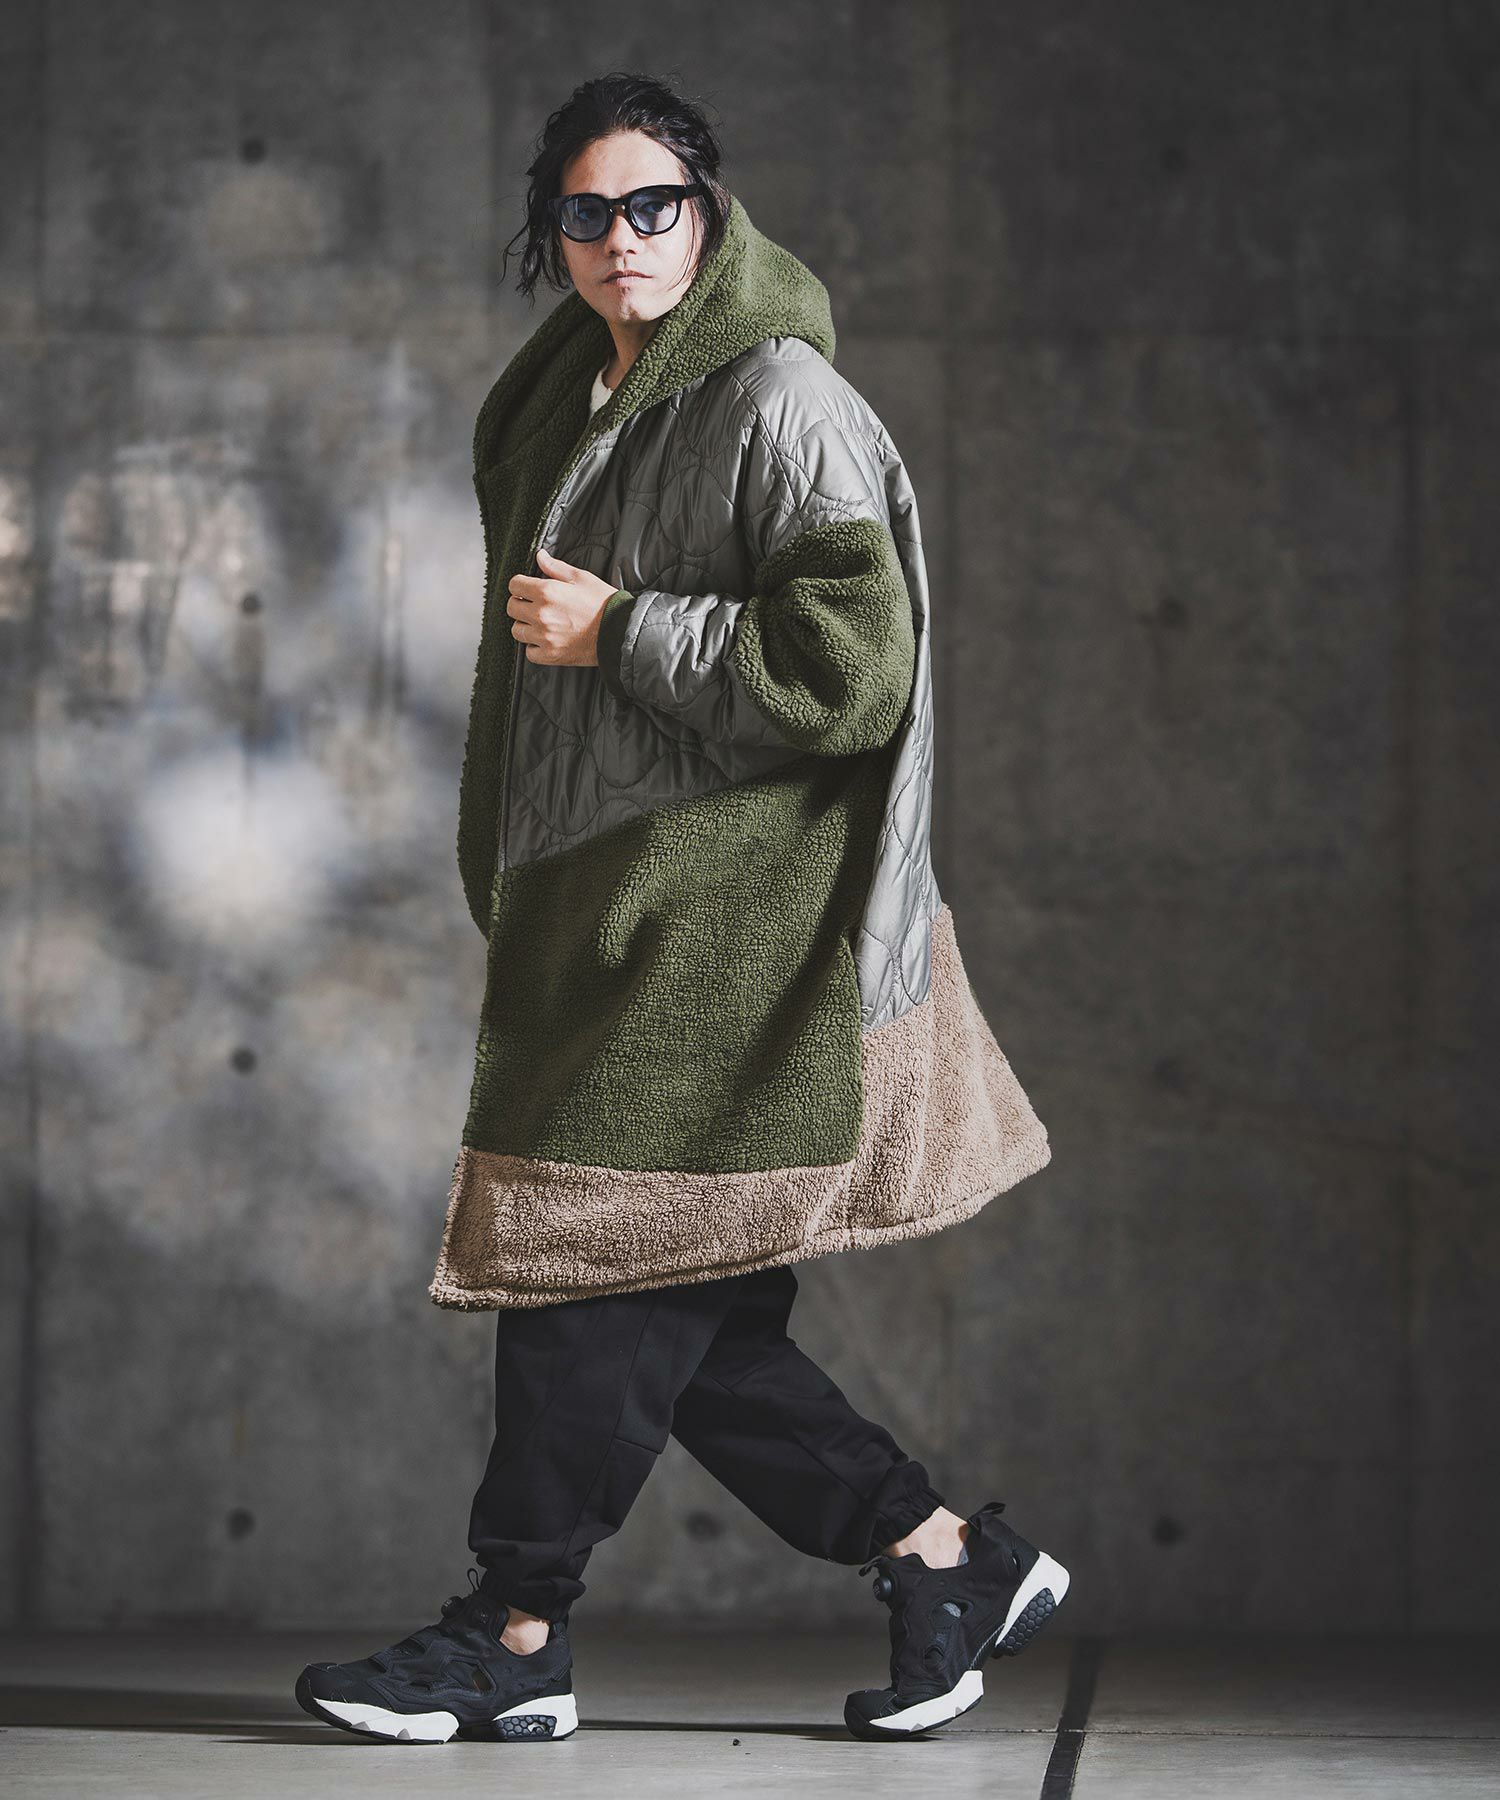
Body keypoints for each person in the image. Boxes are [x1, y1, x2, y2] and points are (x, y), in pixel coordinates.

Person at [295, 70, 1066, 1748]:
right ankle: (945, 1555)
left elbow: (853, 673)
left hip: (727, 913)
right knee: (679, 1303)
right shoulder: (563, 393)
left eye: (655, 205)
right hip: (608, 901)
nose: (623, 238)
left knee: (586, 1271)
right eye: (587, 211)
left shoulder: (781, 398)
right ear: (551, 229)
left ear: (707, 212)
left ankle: (515, 1631)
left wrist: (624, 630)